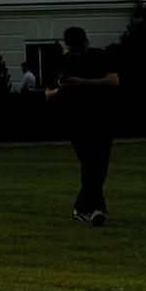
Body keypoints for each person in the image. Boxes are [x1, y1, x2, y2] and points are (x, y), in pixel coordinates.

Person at [46, 26, 121, 225]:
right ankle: (97, 209)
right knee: (89, 163)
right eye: (73, 50)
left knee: (100, 166)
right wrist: (60, 90)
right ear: (66, 45)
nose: (77, 53)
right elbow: (48, 93)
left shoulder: (101, 56)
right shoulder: (61, 61)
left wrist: (83, 82)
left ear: (87, 42)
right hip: (75, 121)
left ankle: (81, 208)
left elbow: (113, 81)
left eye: (81, 49)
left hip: (103, 119)